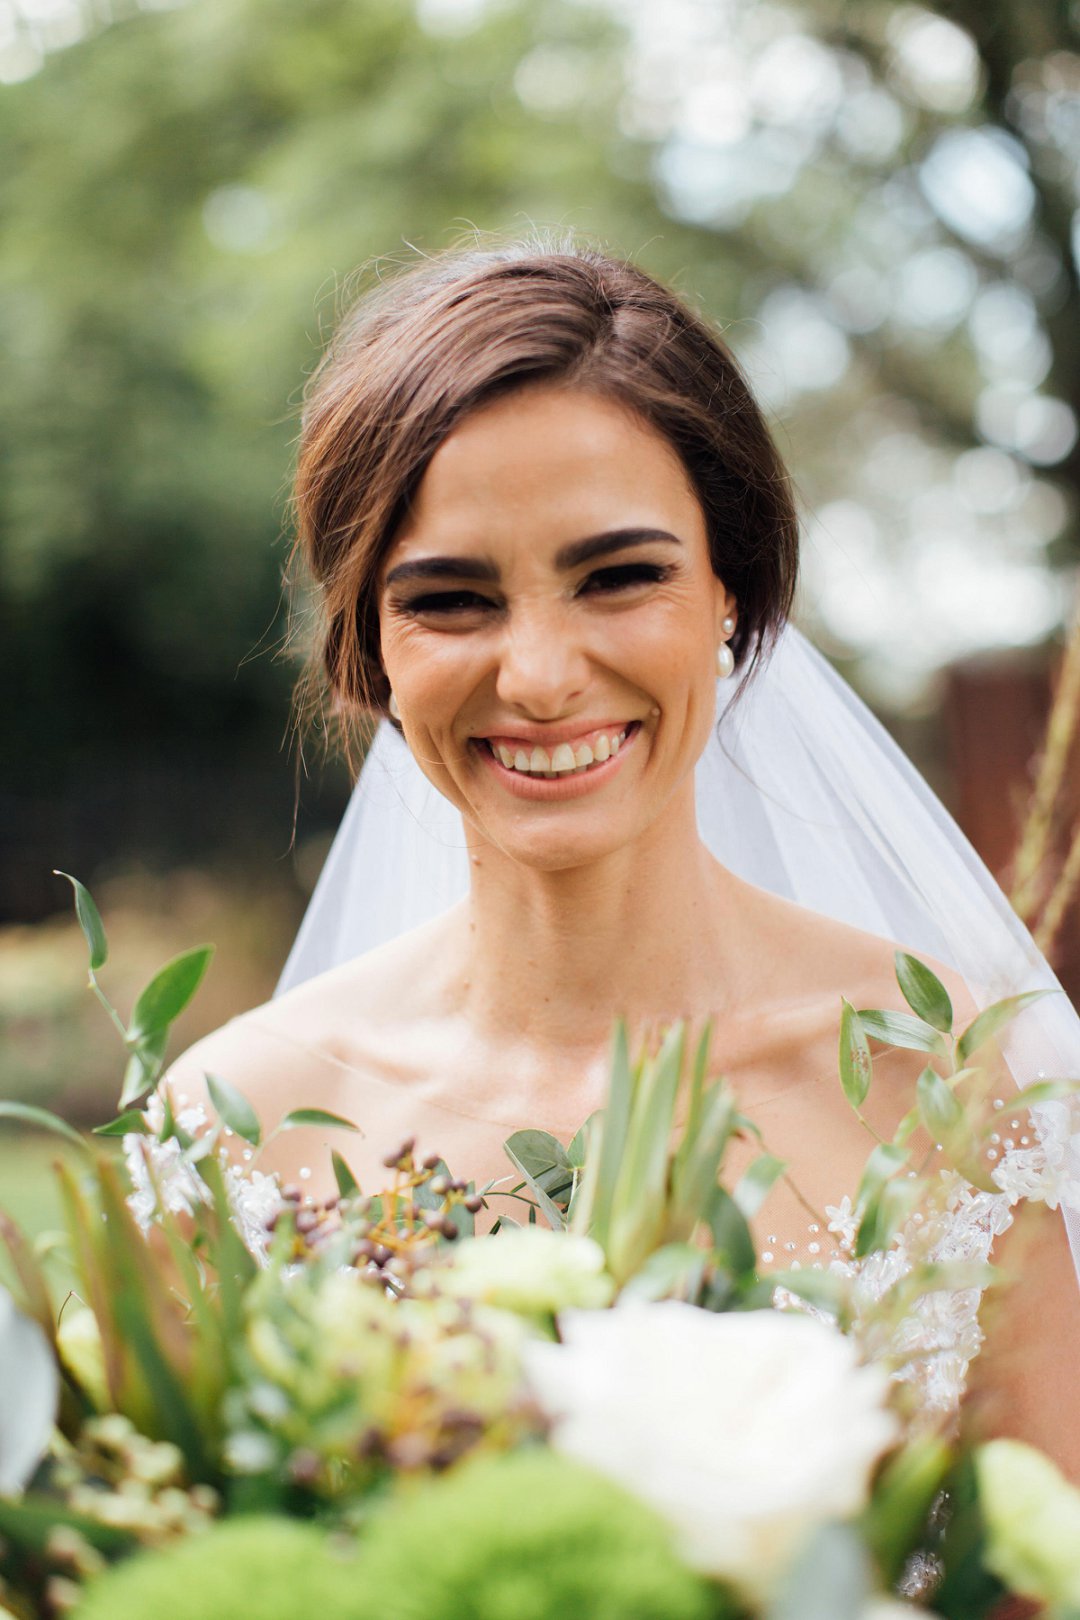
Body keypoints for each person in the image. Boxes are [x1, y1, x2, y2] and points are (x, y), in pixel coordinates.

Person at [163, 233, 1080, 1475]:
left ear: (733, 595)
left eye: (618, 577)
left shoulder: (951, 1090)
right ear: (371, 648)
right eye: (449, 599)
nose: (537, 678)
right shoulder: (230, 1138)